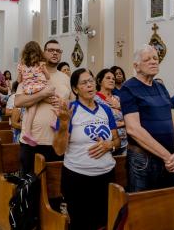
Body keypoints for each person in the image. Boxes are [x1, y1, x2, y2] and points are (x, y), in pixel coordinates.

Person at [53, 68, 120, 230]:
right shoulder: (70, 110)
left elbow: (117, 139)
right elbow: (59, 150)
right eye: (84, 83)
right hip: (78, 178)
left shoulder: (105, 110)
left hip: (106, 176)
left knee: (105, 222)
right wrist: (63, 125)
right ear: (75, 89)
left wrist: (109, 145)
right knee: (81, 224)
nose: (90, 85)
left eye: (91, 81)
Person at [119, 45, 174, 192]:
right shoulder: (128, 88)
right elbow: (133, 129)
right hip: (144, 160)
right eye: (147, 59)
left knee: (164, 205)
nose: (154, 61)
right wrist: (167, 156)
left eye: (155, 58)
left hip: (169, 158)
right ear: (136, 66)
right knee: (142, 207)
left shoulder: (160, 87)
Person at [14, 39, 71, 174]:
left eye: (58, 51)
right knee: (30, 188)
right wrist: (44, 95)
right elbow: (18, 102)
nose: (55, 53)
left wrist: (63, 104)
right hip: (32, 142)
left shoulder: (66, 78)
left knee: (54, 189)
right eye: (51, 50)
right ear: (42, 52)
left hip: (56, 142)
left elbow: (72, 103)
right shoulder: (31, 71)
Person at [16, 41, 51, 146]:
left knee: (32, 110)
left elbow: (18, 80)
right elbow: (48, 77)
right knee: (54, 97)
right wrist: (43, 70)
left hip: (28, 89)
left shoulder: (21, 65)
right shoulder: (41, 64)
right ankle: (55, 121)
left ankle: (27, 132)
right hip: (40, 87)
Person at [95, 68, 127, 155]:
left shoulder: (117, 98)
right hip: (106, 143)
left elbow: (130, 116)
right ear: (99, 81)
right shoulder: (95, 99)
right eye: (108, 78)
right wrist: (121, 123)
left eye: (113, 78)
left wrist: (119, 107)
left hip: (125, 142)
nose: (112, 80)